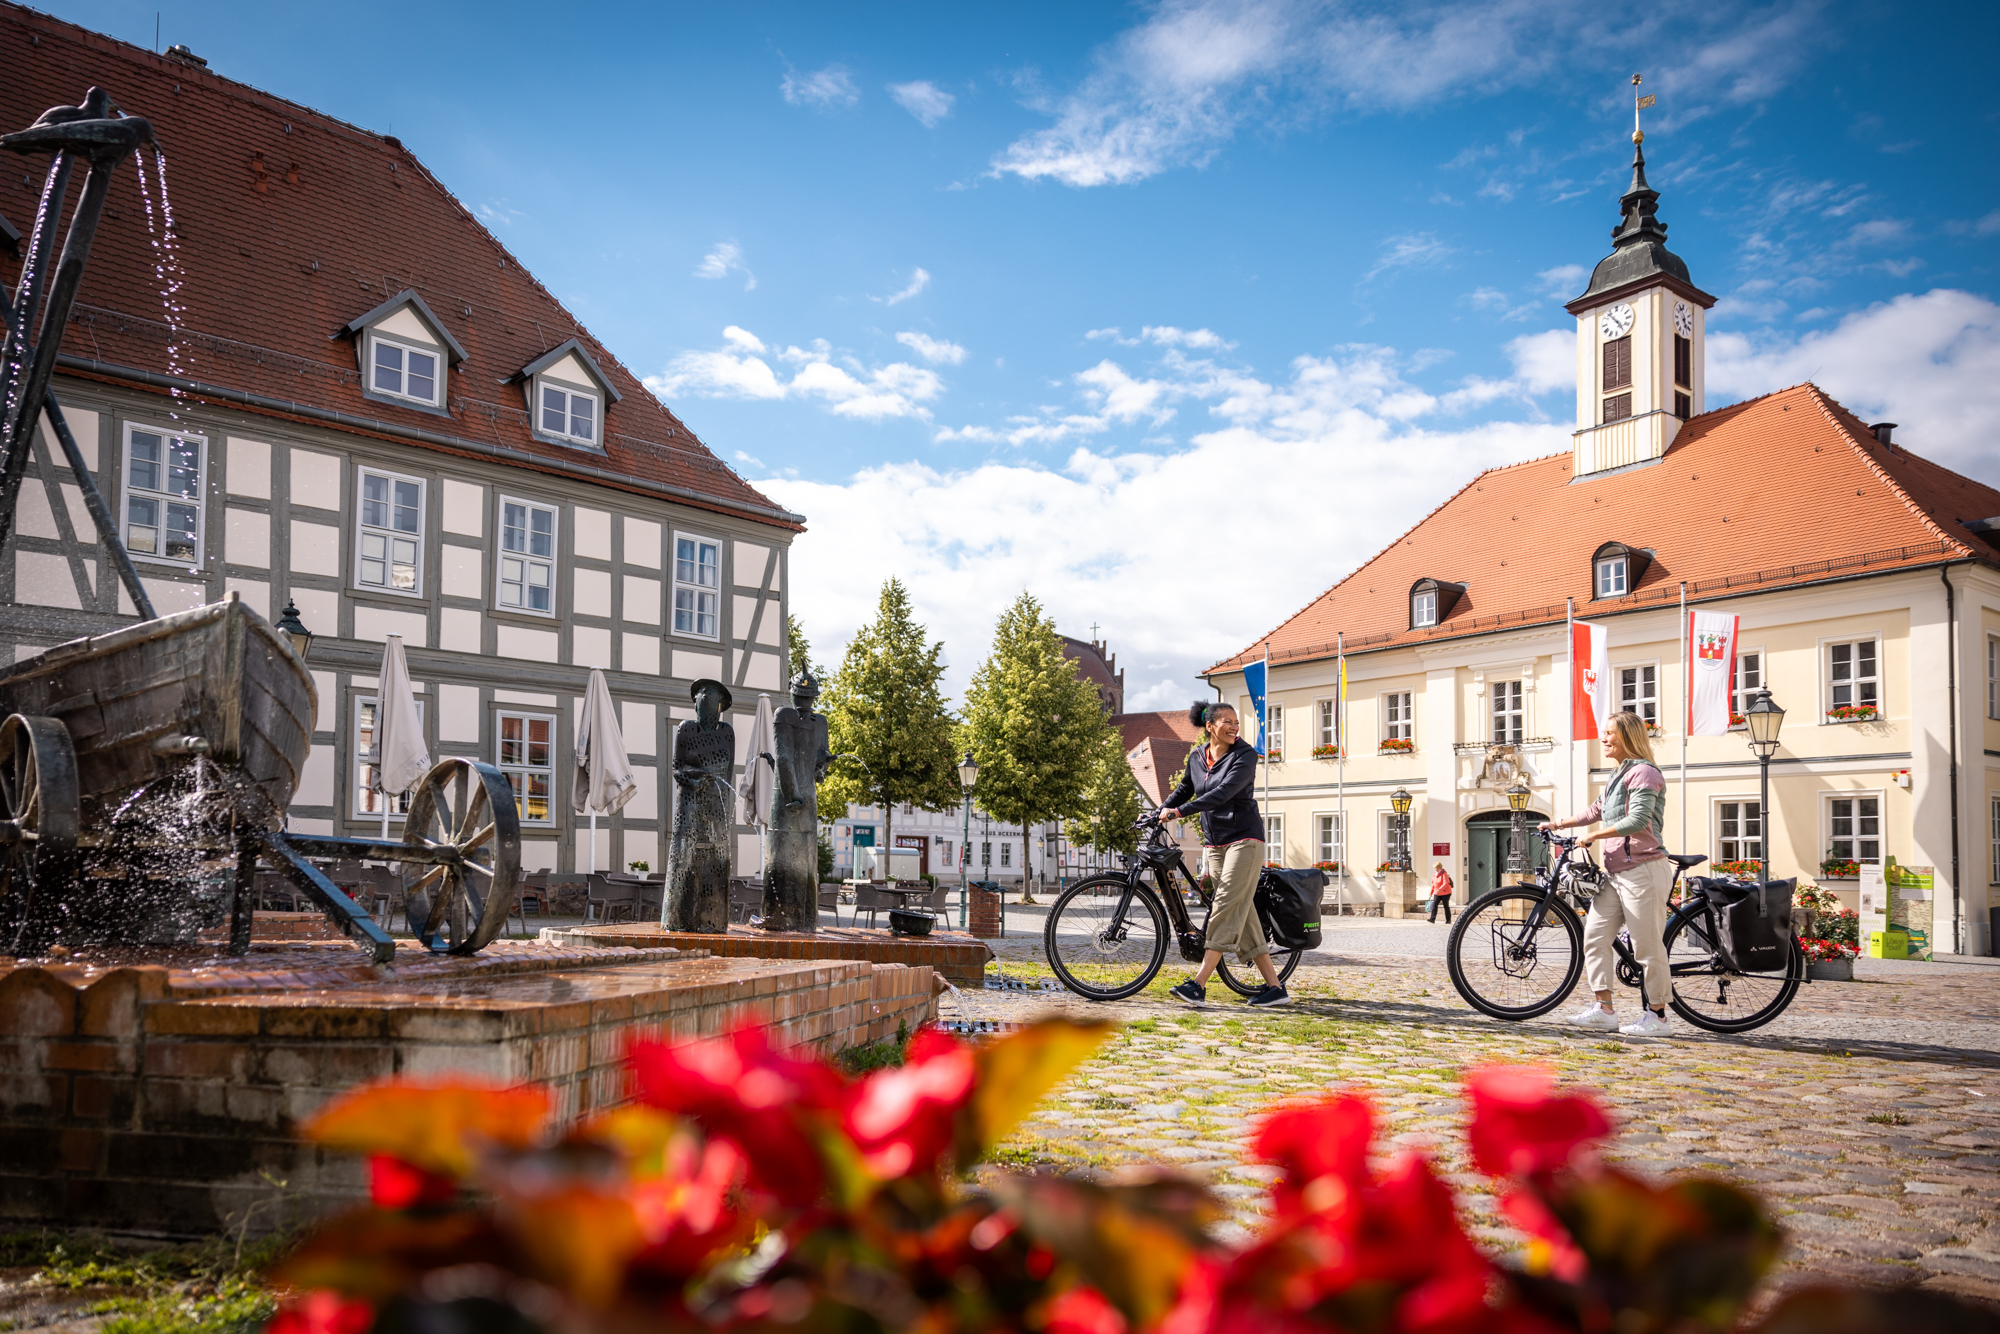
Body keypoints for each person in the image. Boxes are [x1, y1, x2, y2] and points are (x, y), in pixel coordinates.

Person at [1539, 710, 1672, 1037]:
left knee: (1647, 947)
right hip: (1615, 873)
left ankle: (1658, 1016)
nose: (1604, 738)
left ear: (1628, 736)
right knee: (1595, 937)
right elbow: (1595, 811)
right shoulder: (1619, 774)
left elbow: (1638, 820)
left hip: (1644, 870)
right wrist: (1558, 823)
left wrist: (1595, 836)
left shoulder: (1644, 773)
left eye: (1611, 733)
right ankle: (1605, 1010)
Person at [1159, 700, 1290, 1008]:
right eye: (1227, 722)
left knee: (1224, 908)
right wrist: (1160, 810)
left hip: (1244, 840)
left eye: (1236, 722)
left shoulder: (1245, 755)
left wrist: (1178, 812)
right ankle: (1275, 987)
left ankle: (1198, 984)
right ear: (1210, 727)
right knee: (1240, 914)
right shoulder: (1197, 757)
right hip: (1215, 843)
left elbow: (1223, 793)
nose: (1234, 727)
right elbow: (1184, 789)